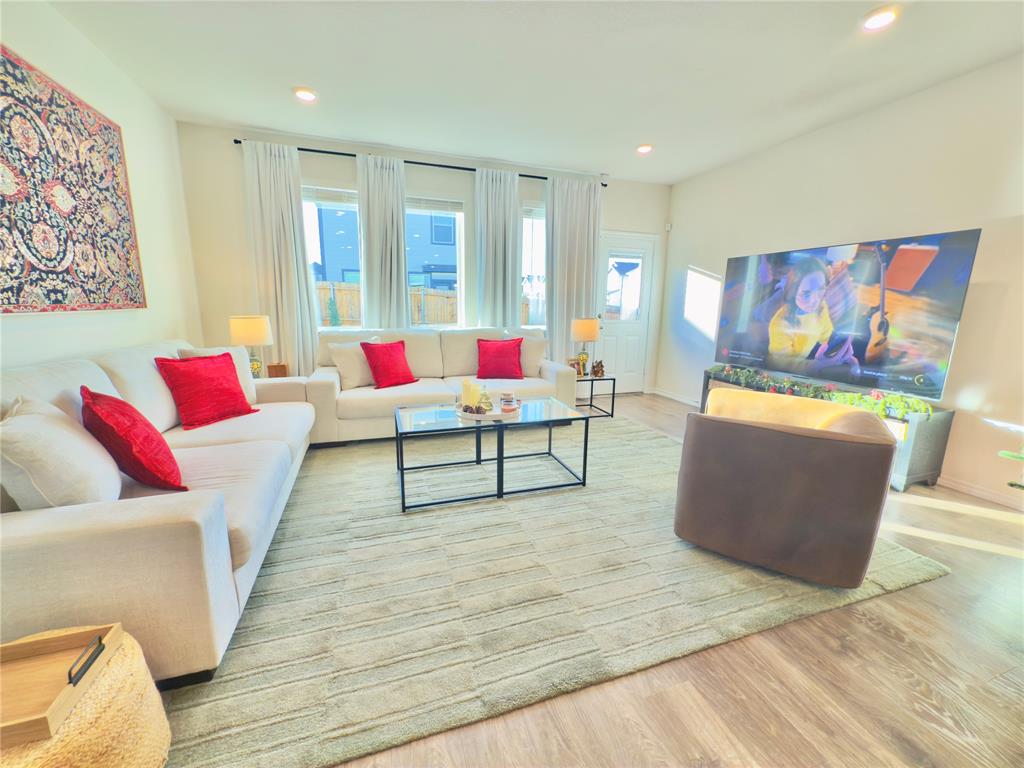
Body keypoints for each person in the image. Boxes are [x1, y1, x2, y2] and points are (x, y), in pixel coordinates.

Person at [767, 257, 860, 376]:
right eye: (806, 293)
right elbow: (785, 367)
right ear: (793, 291)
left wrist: (843, 352)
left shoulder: (821, 306)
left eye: (820, 290)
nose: (814, 300)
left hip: (812, 359)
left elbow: (827, 335)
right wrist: (820, 364)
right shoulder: (780, 325)